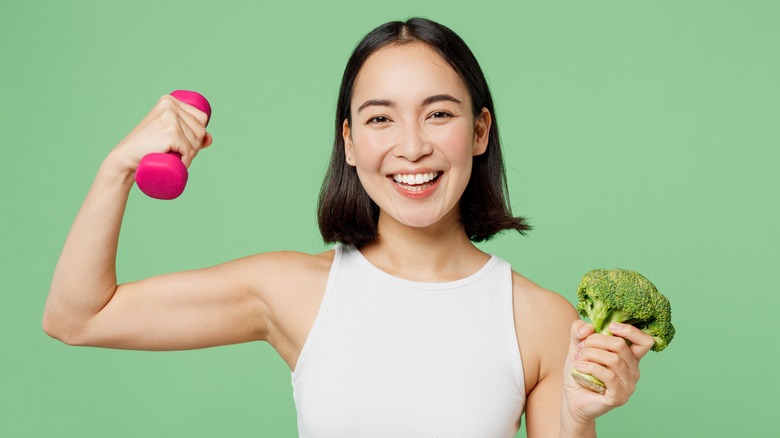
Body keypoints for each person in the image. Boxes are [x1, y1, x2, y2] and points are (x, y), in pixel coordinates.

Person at [44, 17, 655, 437]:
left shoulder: (542, 321)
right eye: (380, 119)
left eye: (439, 114)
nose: (411, 147)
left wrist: (577, 420)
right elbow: (78, 317)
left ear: (479, 132)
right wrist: (116, 169)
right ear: (350, 143)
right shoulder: (293, 291)